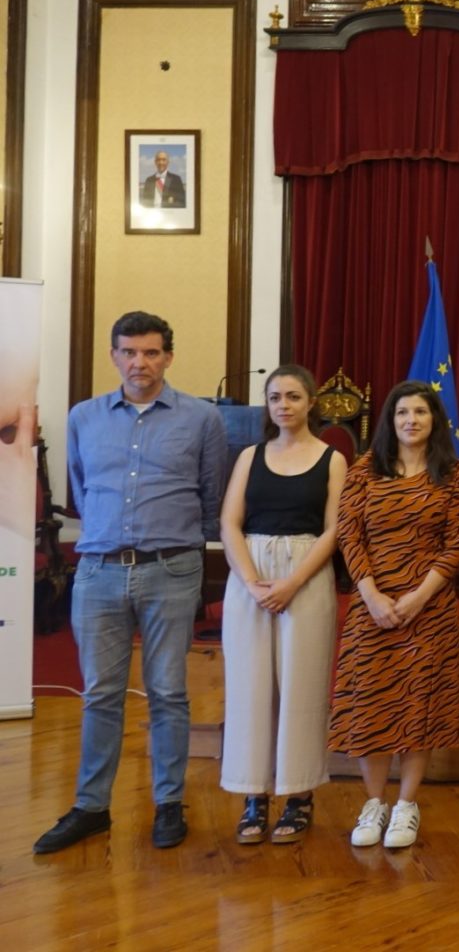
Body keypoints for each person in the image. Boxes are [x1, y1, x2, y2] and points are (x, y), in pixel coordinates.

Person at [34, 310, 228, 854]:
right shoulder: (84, 417)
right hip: (98, 571)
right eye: (129, 352)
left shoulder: (202, 419)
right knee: (100, 693)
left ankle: (168, 803)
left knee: (168, 692)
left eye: (150, 352)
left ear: (168, 356)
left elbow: (211, 496)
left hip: (171, 569)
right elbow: (82, 489)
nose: (139, 362)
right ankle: (91, 808)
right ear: (113, 356)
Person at [329, 380, 459, 850]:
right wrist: (371, 595)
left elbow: (458, 544)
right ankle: (374, 803)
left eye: (420, 412)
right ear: (390, 421)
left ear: (435, 420)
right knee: (369, 702)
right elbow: (349, 534)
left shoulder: (454, 474)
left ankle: (407, 805)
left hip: (429, 608)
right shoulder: (364, 469)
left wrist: (418, 597)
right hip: (370, 606)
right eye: (402, 413)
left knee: (419, 705)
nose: (411, 420)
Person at [218, 364, 347, 845]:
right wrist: (252, 583)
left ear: (311, 402)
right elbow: (230, 523)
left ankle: (298, 793)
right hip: (249, 574)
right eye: (275, 397)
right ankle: (253, 794)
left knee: (301, 686)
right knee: (249, 687)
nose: (283, 406)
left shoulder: (332, 459)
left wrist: (291, 582)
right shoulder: (249, 456)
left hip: (305, 574)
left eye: (293, 397)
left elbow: (334, 529)